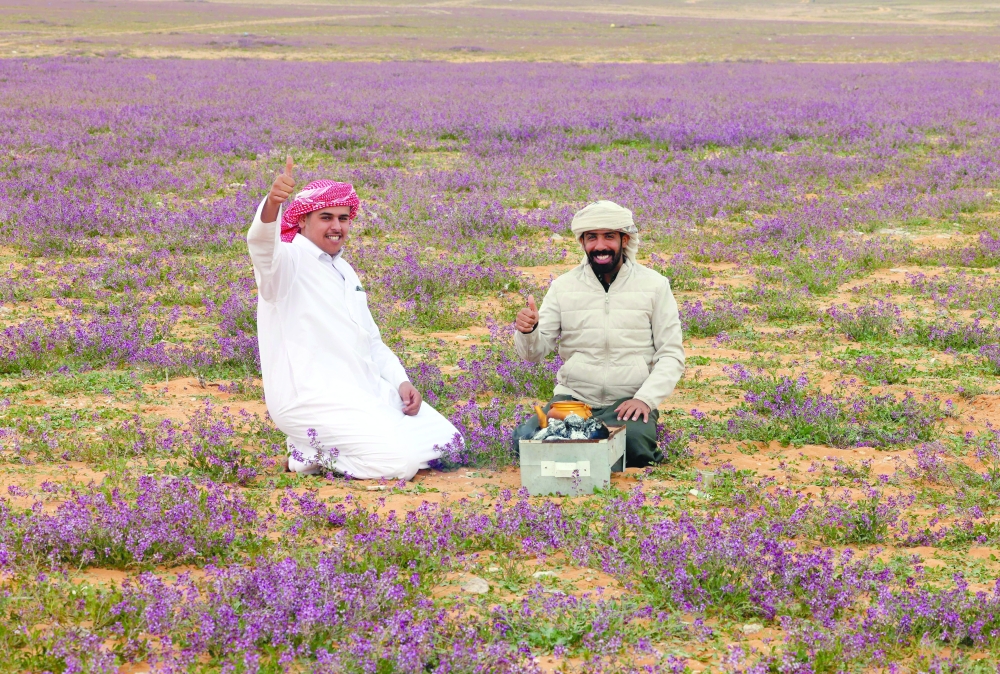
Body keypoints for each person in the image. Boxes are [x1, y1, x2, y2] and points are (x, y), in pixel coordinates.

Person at [246, 156, 462, 480]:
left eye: (343, 218)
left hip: (363, 393)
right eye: (326, 217)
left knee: (451, 445)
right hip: (311, 400)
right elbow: (262, 246)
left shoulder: (344, 270)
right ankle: (309, 454)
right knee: (399, 465)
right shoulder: (285, 263)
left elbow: (370, 340)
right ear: (302, 221)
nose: (337, 227)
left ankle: (343, 446)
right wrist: (273, 204)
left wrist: (401, 381)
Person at [511, 200, 685, 467]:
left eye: (609, 237)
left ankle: (581, 456)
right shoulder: (563, 287)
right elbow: (534, 353)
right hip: (573, 401)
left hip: (626, 403)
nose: (600, 246)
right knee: (524, 439)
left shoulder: (655, 286)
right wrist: (529, 331)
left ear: (625, 239)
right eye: (592, 237)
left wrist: (644, 399)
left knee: (636, 446)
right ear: (582, 242)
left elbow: (671, 355)